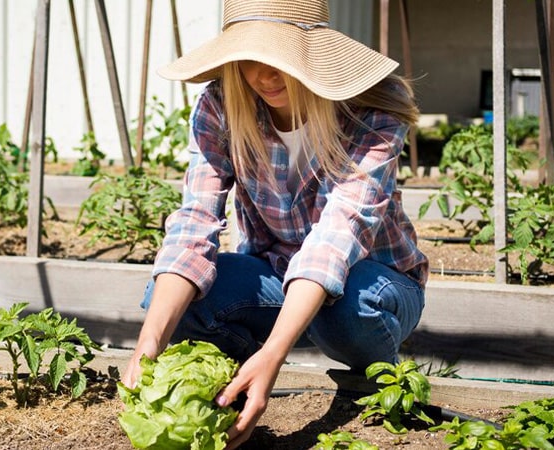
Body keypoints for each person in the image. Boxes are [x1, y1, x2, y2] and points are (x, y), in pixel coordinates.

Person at [121, 0, 429, 447]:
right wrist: (149, 343)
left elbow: (336, 236)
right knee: (170, 303)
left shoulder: (371, 113)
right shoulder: (223, 106)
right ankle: (240, 378)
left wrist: (275, 354)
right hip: (276, 275)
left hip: (374, 282)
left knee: (344, 311)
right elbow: (195, 220)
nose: (263, 76)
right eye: (247, 60)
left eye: (278, 59)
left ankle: (368, 372)